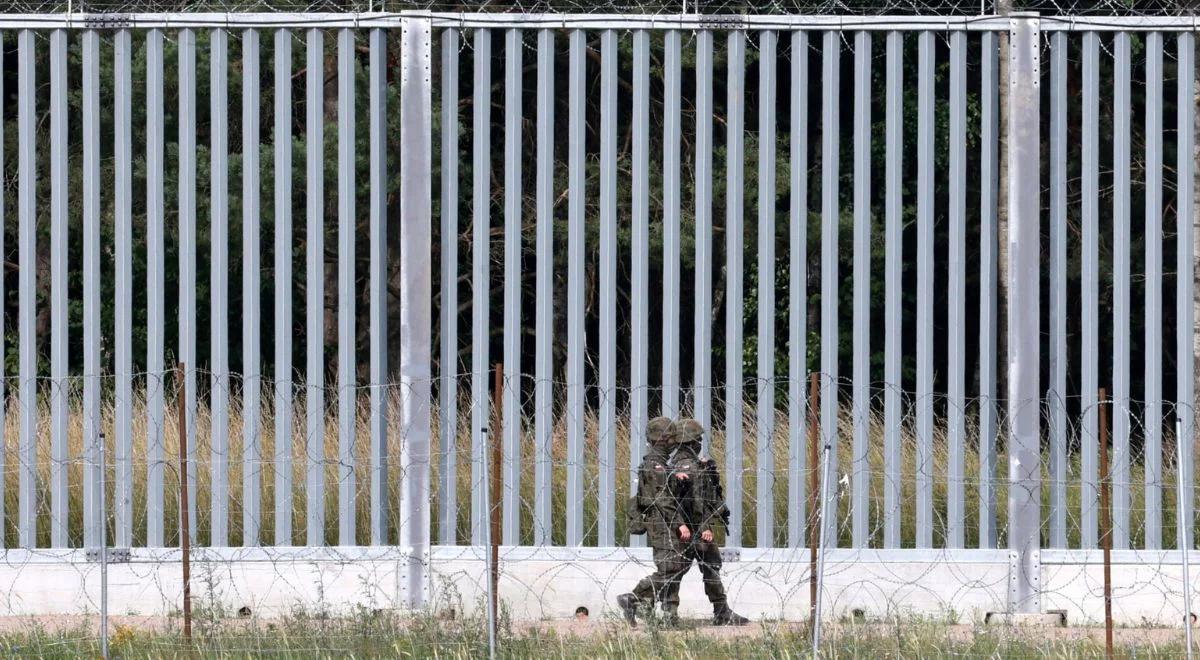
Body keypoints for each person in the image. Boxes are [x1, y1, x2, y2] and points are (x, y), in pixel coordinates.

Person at [663, 418, 749, 626]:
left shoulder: (674, 465)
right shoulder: (694, 467)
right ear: (692, 442)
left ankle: (670, 616)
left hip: (679, 528)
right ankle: (721, 612)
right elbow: (698, 501)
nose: (700, 442)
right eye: (698, 439)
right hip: (695, 529)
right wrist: (706, 528)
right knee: (710, 568)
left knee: (676, 571)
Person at [616, 416, 688, 626]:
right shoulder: (655, 466)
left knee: (674, 567)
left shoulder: (659, 465)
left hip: (664, 522)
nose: (675, 442)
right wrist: (679, 524)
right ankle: (634, 598)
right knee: (670, 568)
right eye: (671, 437)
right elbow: (662, 499)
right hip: (663, 523)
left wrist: (674, 475)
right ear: (663, 439)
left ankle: (655, 609)